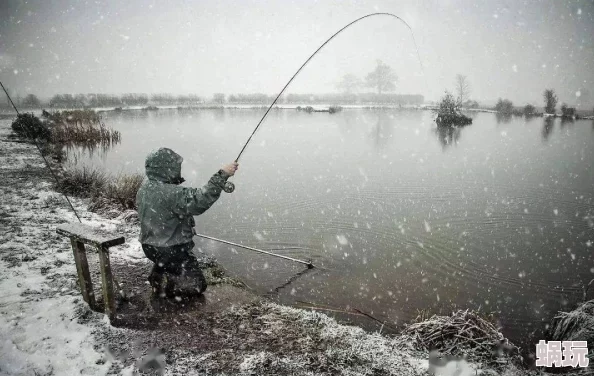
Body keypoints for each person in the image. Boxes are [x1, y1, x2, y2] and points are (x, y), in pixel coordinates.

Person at [136, 147, 238, 299]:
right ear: (167, 169)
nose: (178, 170)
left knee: (166, 261)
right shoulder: (172, 192)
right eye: (175, 167)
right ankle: (167, 287)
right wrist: (222, 175)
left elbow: (164, 214)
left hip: (149, 247)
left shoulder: (144, 189)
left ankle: (160, 273)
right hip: (171, 250)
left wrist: (184, 225)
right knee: (197, 286)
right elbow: (200, 200)